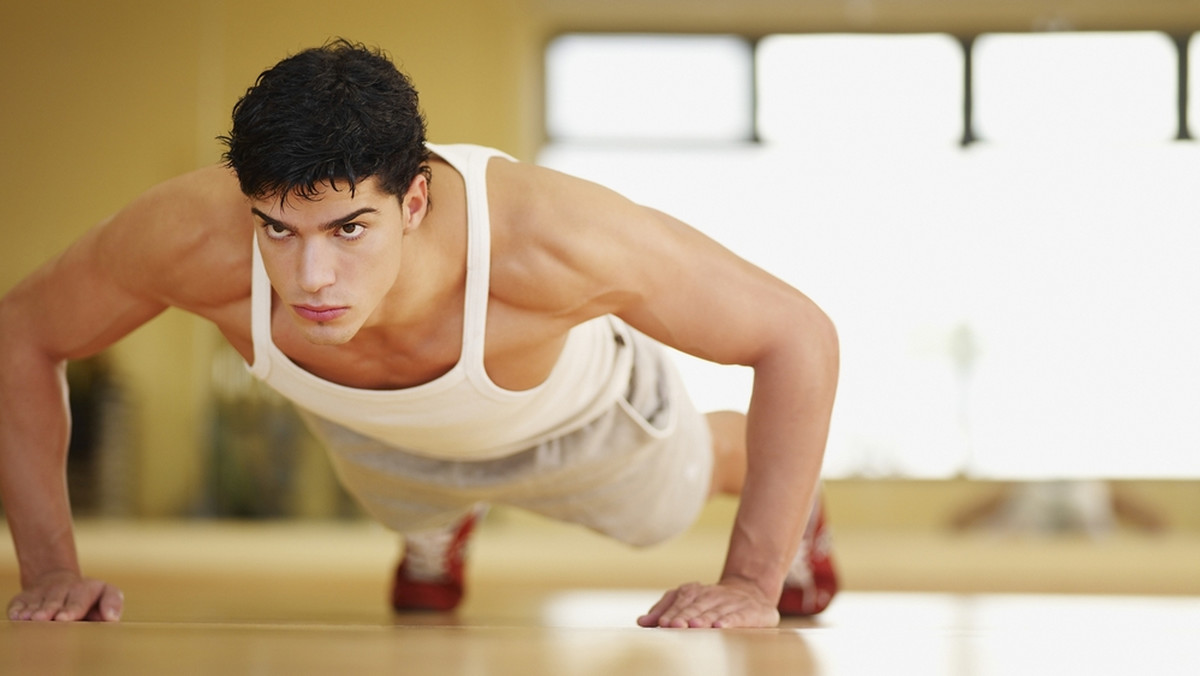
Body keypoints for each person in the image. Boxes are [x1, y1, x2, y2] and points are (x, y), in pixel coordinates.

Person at [0, 39, 839, 629]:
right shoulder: (191, 239)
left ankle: (795, 511)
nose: (309, 279)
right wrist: (50, 572)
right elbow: (21, 334)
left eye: (349, 230)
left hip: (580, 427)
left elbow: (797, 334)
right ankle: (440, 519)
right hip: (380, 446)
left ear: (413, 202)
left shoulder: (551, 238)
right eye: (278, 231)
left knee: (661, 510)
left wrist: (749, 580)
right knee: (403, 496)